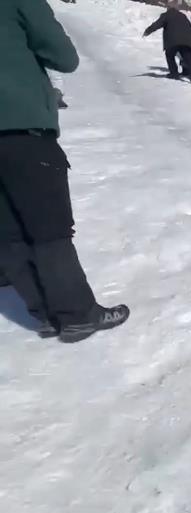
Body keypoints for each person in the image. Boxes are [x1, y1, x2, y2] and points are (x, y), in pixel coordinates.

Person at [1, 0, 129, 342]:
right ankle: (76, 314)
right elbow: (64, 57)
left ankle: (43, 313)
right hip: (20, 125)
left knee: (8, 232)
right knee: (49, 229)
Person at [142, 1, 191, 84]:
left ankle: (174, 73)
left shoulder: (166, 15)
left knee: (170, 55)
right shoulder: (183, 16)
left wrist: (147, 31)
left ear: (168, 9)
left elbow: (157, 24)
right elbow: (190, 27)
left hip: (173, 42)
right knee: (188, 59)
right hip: (186, 41)